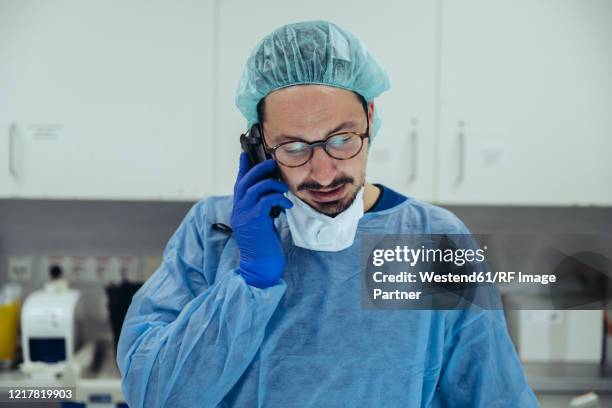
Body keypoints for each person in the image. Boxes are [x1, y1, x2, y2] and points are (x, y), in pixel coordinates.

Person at [116, 21, 539, 407]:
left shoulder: (430, 241)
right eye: (294, 147)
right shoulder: (213, 233)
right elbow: (153, 395)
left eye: (341, 139)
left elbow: (492, 397)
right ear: (259, 142)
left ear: (371, 117)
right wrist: (249, 283)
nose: (322, 173)